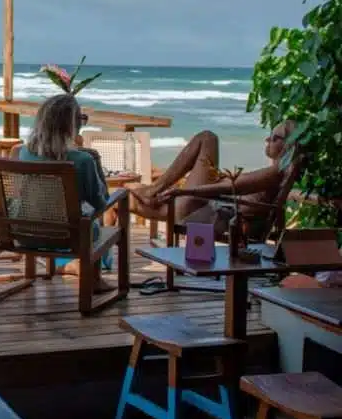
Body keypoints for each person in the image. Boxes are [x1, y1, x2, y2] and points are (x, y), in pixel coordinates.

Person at [17, 93, 115, 292]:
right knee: (93, 223)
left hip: (23, 232)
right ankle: (94, 277)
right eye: (80, 120)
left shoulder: (24, 152)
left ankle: (67, 266)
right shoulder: (82, 160)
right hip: (69, 237)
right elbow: (100, 204)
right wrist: (96, 164)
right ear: (71, 125)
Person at [129, 121, 297, 235]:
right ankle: (147, 193)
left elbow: (232, 187)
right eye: (270, 135)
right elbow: (236, 188)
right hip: (209, 208)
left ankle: (152, 190)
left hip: (209, 213)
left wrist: (183, 191)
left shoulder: (276, 172)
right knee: (129, 195)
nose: (268, 139)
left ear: (289, 144)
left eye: (276, 138)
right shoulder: (277, 172)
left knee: (207, 138)